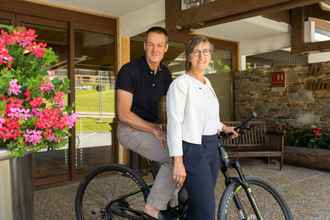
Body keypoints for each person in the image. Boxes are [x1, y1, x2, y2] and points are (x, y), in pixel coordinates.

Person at [166, 35, 238, 220]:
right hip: (193, 148)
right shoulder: (180, 84)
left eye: (206, 51)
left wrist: (223, 127)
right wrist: (178, 161)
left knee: (198, 204)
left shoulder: (207, 83)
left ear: (210, 56)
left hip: (211, 146)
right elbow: (174, 123)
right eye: (197, 52)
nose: (202, 56)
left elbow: (208, 117)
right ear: (189, 57)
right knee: (206, 208)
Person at [116, 26, 175, 220]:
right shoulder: (129, 70)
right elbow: (123, 114)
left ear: (166, 48)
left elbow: (177, 103)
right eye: (150, 44)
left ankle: (170, 206)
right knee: (172, 158)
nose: (155, 49)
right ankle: (153, 208)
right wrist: (154, 129)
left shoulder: (165, 73)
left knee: (182, 154)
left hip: (152, 129)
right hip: (129, 129)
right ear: (144, 46)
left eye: (159, 45)